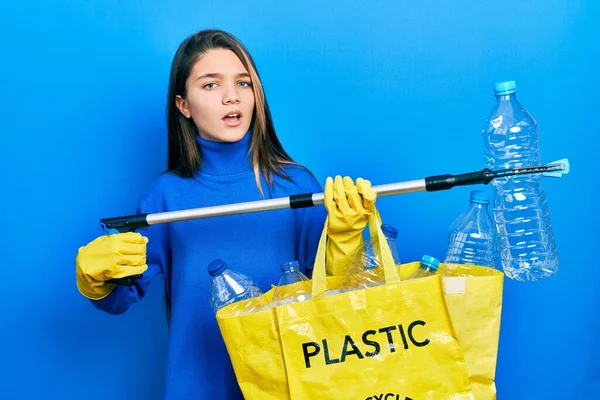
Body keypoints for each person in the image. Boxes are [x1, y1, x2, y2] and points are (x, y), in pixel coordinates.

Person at [75, 29, 376, 399]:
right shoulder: (164, 198)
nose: (232, 96)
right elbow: (119, 299)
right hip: (199, 386)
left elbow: (343, 298)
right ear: (183, 105)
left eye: (243, 83)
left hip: (290, 384)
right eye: (211, 85)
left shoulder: (297, 185)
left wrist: (345, 239)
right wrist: (96, 280)